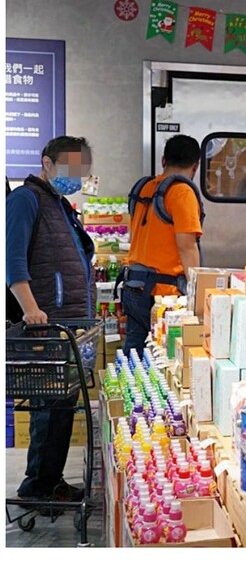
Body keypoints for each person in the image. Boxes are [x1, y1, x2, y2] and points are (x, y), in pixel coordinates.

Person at [6, 136, 96, 504]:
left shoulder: (59, 204)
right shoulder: (25, 200)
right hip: (45, 324)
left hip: (67, 323)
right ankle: (37, 488)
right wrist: (29, 307)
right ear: (47, 163)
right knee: (48, 409)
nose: (77, 176)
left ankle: (51, 481)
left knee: (61, 407)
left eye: (83, 169)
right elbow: (12, 259)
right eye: (72, 168)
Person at [122, 135, 203, 354]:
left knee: (135, 354)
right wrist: (198, 291)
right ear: (195, 166)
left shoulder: (144, 187)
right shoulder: (182, 192)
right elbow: (187, 246)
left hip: (134, 286)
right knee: (163, 358)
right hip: (162, 294)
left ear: (163, 160)